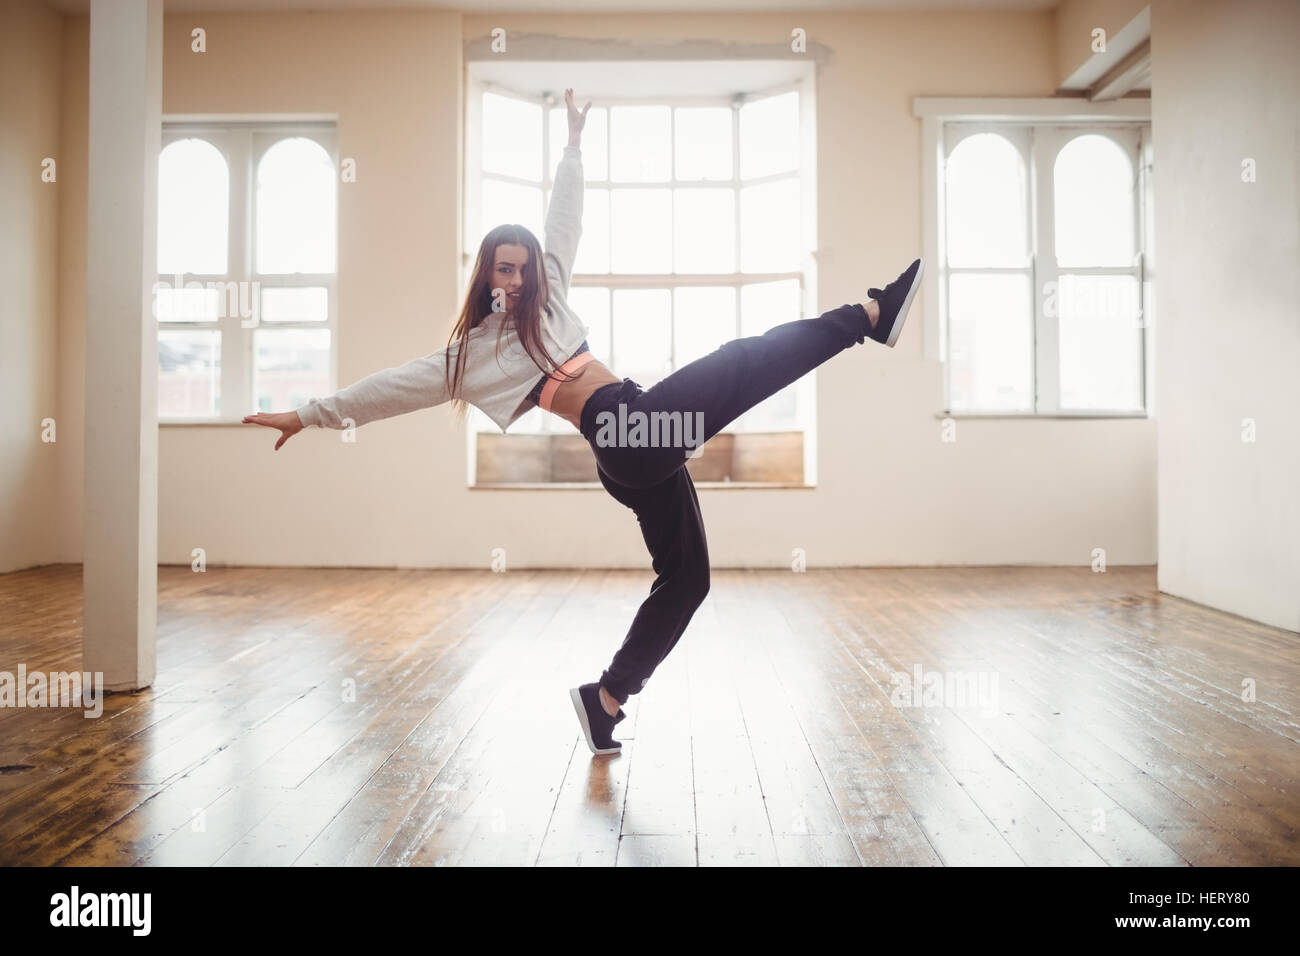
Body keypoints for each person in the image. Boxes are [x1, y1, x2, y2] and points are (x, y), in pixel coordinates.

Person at [244, 88, 924, 757]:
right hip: (625, 435)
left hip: (633, 432)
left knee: (688, 579)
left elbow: (562, 217)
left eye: (522, 266)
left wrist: (571, 144)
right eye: (501, 269)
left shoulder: (552, 299)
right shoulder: (471, 356)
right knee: (742, 361)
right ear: (485, 277)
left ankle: (605, 700)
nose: (513, 277)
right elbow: (390, 389)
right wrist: (307, 415)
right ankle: (869, 317)